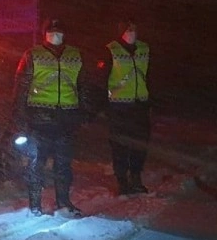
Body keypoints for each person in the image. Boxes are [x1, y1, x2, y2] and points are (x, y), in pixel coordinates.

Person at [11, 18, 89, 216]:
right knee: (37, 163)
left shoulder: (75, 55)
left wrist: (84, 112)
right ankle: (35, 206)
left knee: (64, 165)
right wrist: (20, 117)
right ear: (44, 33)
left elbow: (83, 86)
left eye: (59, 31)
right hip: (39, 119)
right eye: (52, 31)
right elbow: (21, 87)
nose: (56, 35)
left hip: (66, 118)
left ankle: (64, 203)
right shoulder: (32, 55)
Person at [97, 18, 151, 196]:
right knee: (120, 146)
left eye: (134, 30)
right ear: (121, 32)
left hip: (140, 105)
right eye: (128, 30)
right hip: (119, 106)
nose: (132, 33)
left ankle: (136, 178)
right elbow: (102, 79)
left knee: (139, 145)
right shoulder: (110, 50)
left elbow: (151, 75)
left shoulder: (144, 49)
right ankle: (122, 181)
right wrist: (103, 104)